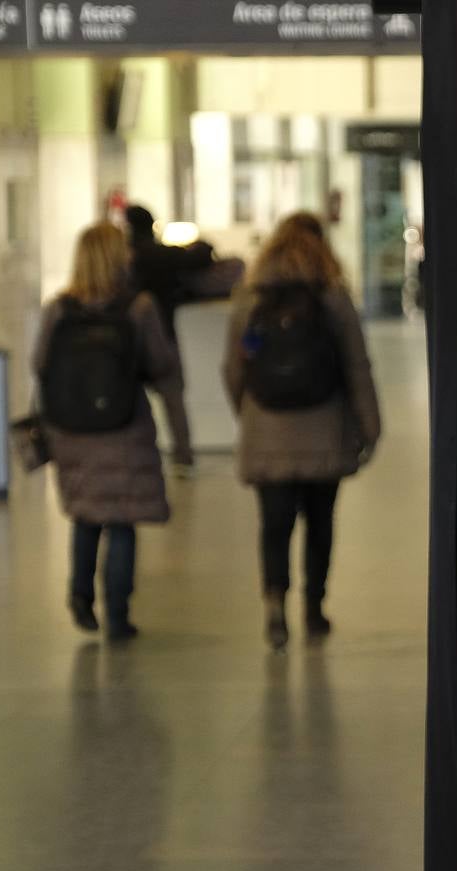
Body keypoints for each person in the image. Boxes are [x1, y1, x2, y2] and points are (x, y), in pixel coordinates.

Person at [223, 212, 381, 649]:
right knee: (319, 522)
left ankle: (275, 604)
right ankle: (314, 607)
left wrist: (249, 413)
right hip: (323, 428)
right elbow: (357, 367)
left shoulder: (250, 302)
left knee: (273, 525)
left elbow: (234, 368)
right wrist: (371, 427)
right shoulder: (333, 299)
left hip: (267, 430)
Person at [33, 222, 183, 641]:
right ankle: (118, 614)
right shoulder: (139, 308)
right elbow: (162, 365)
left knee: (86, 515)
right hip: (124, 426)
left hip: (73, 430)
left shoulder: (59, 309)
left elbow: (39, 363)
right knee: (121, 521)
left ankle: (80, 597)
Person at [124, 204, 208, 472]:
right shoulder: (162, 254)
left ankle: (131, 454)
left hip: (126, 340)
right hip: (163, 333)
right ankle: (183, 456)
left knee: (128, 398)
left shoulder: (124, 259)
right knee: (173, 398)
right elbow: (202, 255)